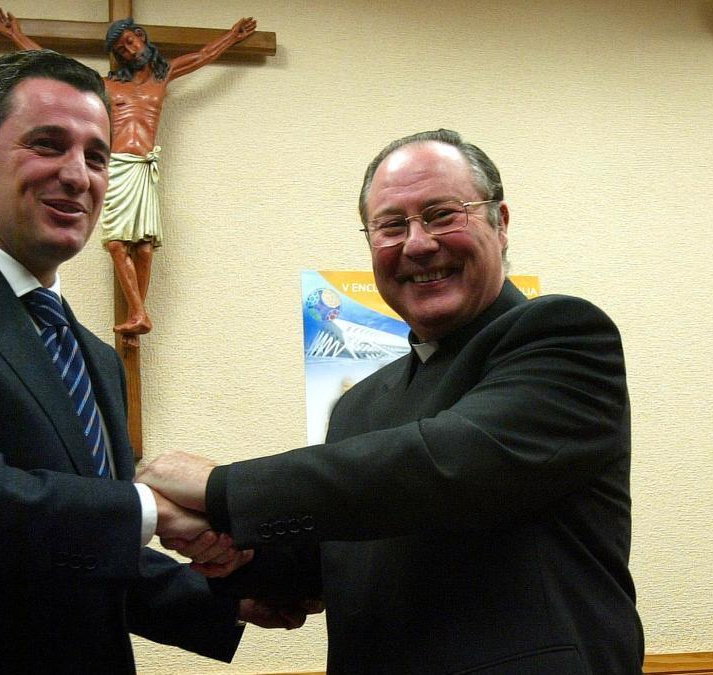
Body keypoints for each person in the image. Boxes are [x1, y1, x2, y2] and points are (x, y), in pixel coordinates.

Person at [0, 50, 304, 674]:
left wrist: (230, 596)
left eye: (97, 157)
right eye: (48, 145)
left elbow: (73, 549)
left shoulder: (93, 356)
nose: (78, 175)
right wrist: (150, 510)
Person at [139, 130, 645, 673]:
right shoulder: (360, 406)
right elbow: (330, 557)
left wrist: (221, 489)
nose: (418, 243)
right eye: (391, 225)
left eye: (442, 214)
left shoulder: (560, 336)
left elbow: (445, 467)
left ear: (500, 223)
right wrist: (233, 555)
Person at [0, 9, 257, 344]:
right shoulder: (107, 86)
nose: (129, 50)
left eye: (131, 41)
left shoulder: (162, 79)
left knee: (144, 248)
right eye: (121, 48)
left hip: (144, 165)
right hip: (117, 165)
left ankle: (139, 313)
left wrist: (234, 36)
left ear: (141, 38)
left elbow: (203, 56)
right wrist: (14, 35)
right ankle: (138, 312)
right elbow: (54, 62)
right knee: (117, 243)